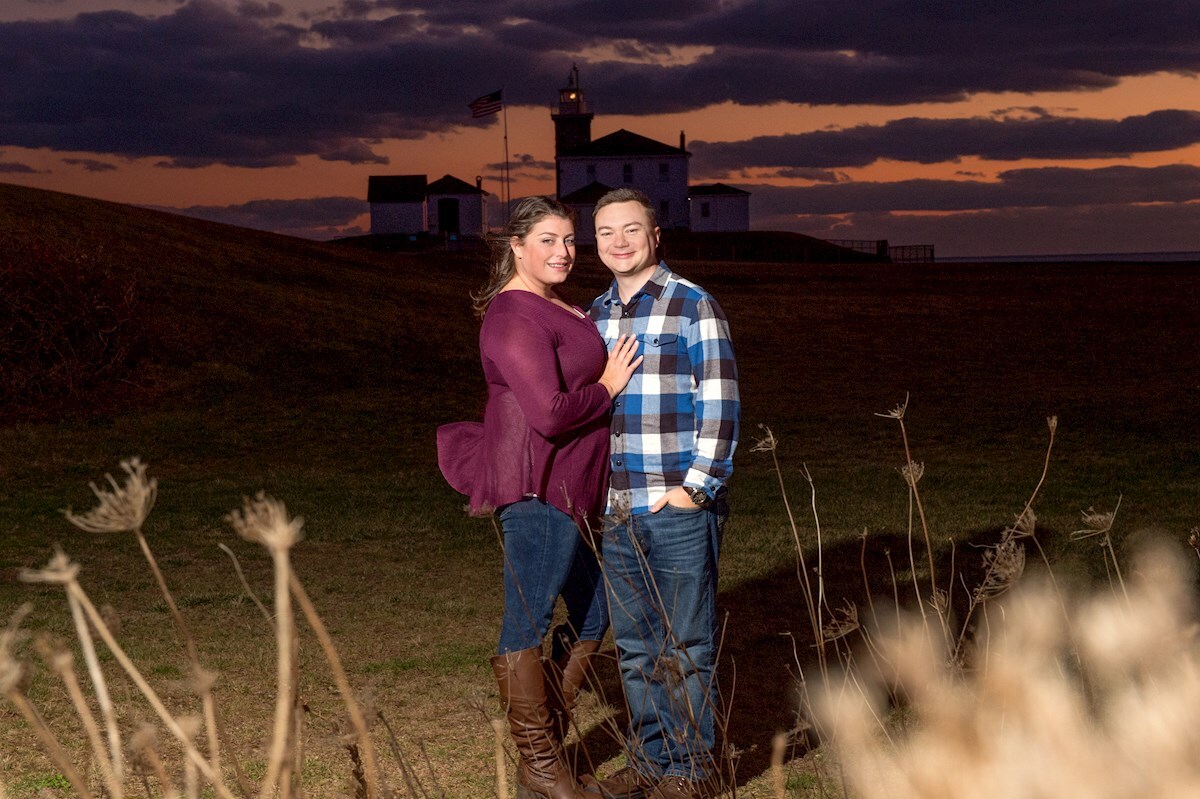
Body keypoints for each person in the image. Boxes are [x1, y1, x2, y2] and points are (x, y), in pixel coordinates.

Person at [437, 196, 642, 799]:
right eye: (548, 240)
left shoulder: (553, 305)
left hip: (572, 485)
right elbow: (550, 416)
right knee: (526, 620)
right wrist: (607, 387)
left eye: (570, 240)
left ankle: (543, 756)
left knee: (595, 609)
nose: (563, 252)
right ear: (517, 247)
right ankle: (541, 766)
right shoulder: (511, 314)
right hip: (536, 483)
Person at [584, 189, 739, 799]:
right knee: (634, 648)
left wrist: (693, 492)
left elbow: (721, 403)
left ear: (655, 236)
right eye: (605, 232)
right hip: (616, 509)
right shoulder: (592, 315)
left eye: (631, 229)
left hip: (674, 506)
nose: (619, 241)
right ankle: (651, 761)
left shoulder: (692, 305)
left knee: (687, 643)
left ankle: (693, 770)